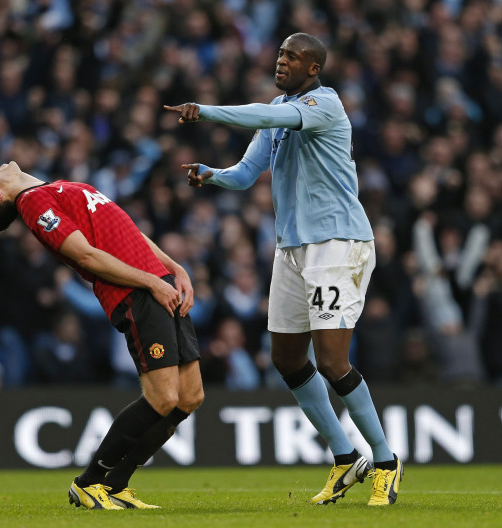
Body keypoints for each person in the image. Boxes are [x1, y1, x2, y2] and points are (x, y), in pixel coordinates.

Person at [165, 32, 402, 506]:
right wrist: (213, 175)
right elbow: (246, 173)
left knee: (332, 360)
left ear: (313, 68)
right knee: (287, 359)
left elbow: (268, 115)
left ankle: (385, 461)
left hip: (338, 244)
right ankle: (343, 457)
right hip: (292, 248)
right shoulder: (279, 110)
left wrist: (205, 111)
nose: (281, 61)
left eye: (292, 57)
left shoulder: (323, 105)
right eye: (279, 54)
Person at [0, 161, 204, 510]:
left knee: (190, 395)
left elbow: (128, 231)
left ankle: (117, 484)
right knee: (163, 397)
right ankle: (88, 483)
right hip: (136, 293)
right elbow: (86, 256)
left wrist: (174, 268)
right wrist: (151, 281)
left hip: (159, 283)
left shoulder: (52, 190)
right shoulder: (33, 204)